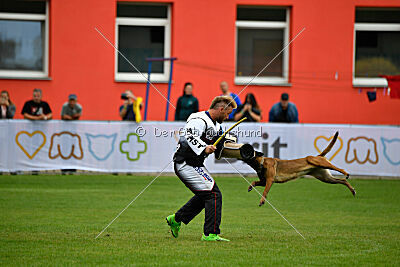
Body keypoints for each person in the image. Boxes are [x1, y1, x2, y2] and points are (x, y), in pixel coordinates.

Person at [166, 96, 237, 242]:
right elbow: (191, 136)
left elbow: (220, 146)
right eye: (227, 113)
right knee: (213, 195)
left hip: (196, 164)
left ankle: (177, 219)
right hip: (185, 163)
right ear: (221, 109)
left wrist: (232, 144)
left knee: (206, 195)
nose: (228, 116)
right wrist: (204, 148)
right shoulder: (199, 119)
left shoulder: (217, 126)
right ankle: (210, 234)